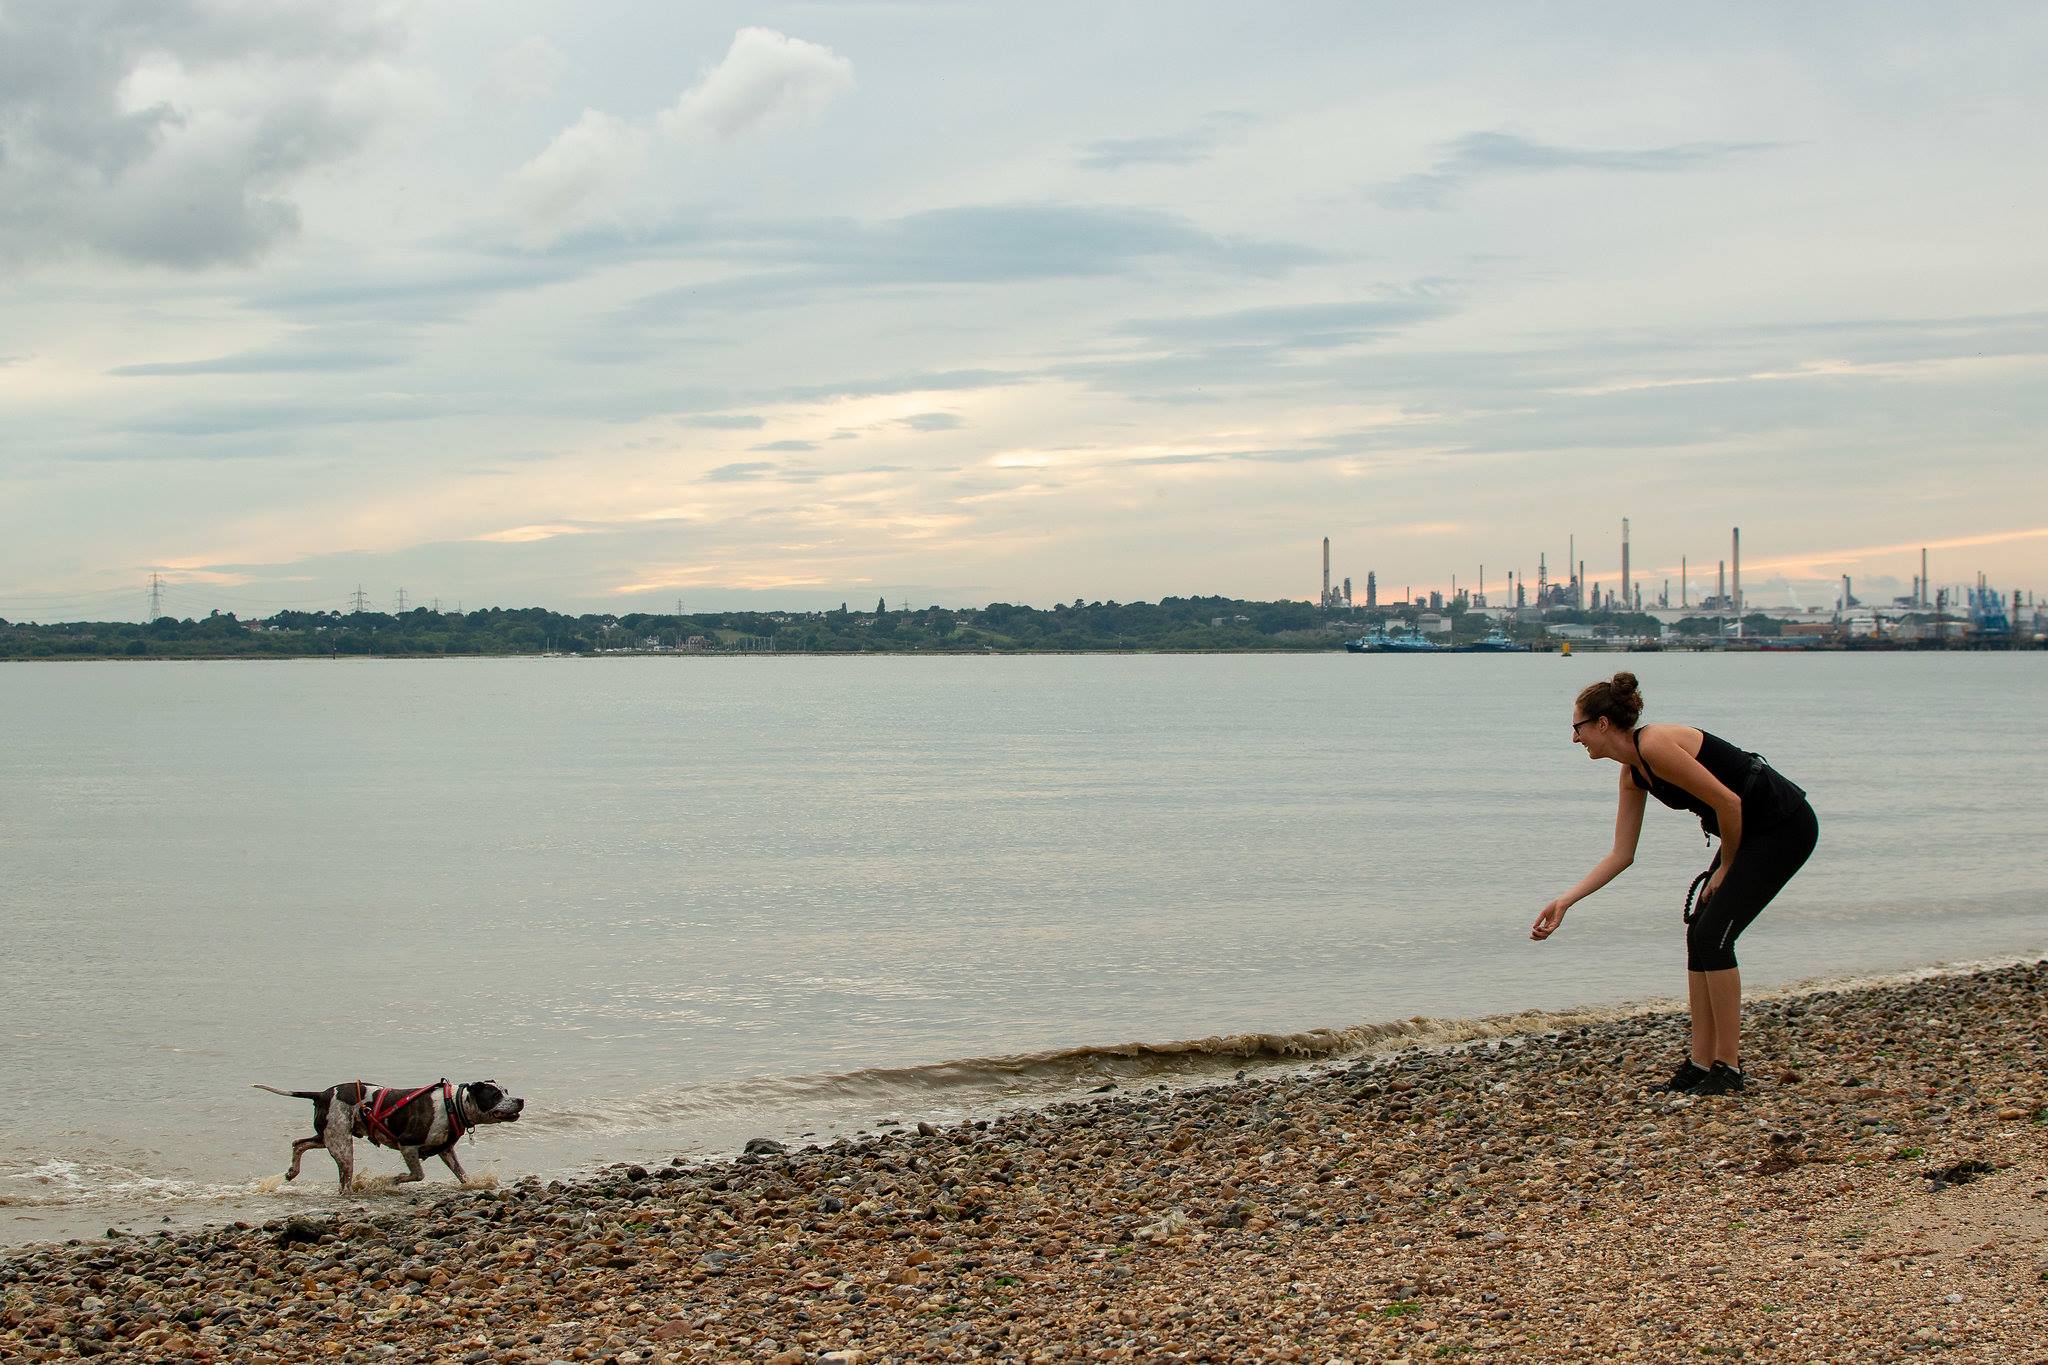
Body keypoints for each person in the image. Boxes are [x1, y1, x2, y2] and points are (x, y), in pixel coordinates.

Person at [1530, 671, 1818, 1096]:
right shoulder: (1633, 773)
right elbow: (1621, 854)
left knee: (1715, 936)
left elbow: (1729, 802)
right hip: (1750, 831)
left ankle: (1730, 1068)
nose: (1575, 739)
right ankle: (1702, 1063)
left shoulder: (1656, 745)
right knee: (1699, 933)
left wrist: (1725, 868)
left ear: (1603, 724)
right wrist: (1566, 901)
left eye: (1578, 728)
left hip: (1784, 825)